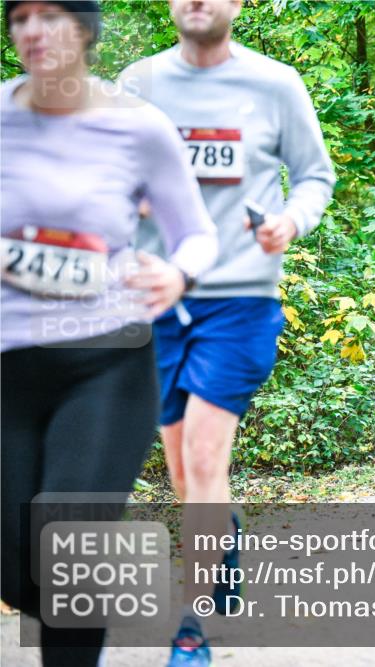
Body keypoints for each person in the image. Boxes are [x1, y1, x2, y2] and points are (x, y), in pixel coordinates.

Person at [1, 2, 218, 665]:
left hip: (107, 359)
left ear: (87, 29)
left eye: (52, 15)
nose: (33, 31)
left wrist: (178, 274)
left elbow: (197, 234)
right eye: (20, 17)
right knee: (18, 562)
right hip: (9, 364)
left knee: (69, 546)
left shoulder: (137, 126)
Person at [120, 0, 335, 664]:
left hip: (240, 299)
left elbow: (315, 177)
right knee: (186, 472)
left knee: (208, 460)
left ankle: (191, 626)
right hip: (161, 300)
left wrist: (290, 223)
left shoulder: (276, 84)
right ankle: (226, 533)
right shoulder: (138, 86)